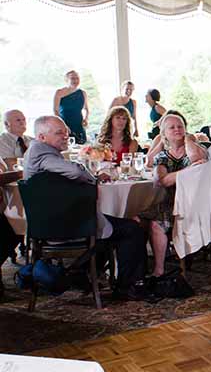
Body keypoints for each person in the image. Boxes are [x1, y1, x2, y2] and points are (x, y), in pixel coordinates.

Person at [24, 116, 149, 300]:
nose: (66, 136)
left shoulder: (38, 151)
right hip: (65, 227)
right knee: (132, 229)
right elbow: (74, 171)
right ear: (42, 137)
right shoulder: (41, 153)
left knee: (109, 227)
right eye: (59, 133)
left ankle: (79, 273)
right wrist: (93, 178)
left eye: (66, 132)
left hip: (53, 223)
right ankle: (127, 286)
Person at [141, 114, 207, 281]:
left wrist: (188, 140)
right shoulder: (162, 156)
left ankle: (159, 267)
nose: (177, 129)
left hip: (194, 203)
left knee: (156, 220)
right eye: (172, 127)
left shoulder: (194, 149)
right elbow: (163, 180)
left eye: (180, 126)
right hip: (170, 203)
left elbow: (196, 158)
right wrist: (188, 172)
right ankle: (153, 267)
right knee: (143, 218)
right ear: (164, 134)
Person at [53, 70, 89, 144]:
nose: (75, 80)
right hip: (65, 125)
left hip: (79, 124)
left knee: (81, 146)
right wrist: (64, 126)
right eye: (72, 78)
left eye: (77, 78)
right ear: (66, 80)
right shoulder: (59, 92)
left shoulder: (82, 93)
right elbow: (55, 111)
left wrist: (86, 119)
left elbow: (86, 109)